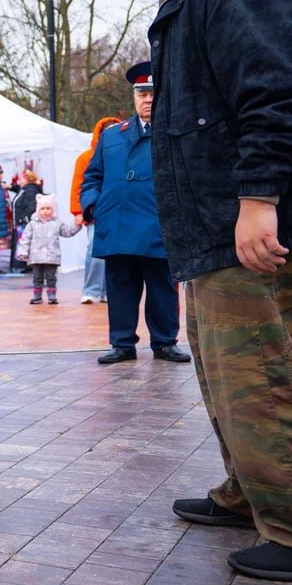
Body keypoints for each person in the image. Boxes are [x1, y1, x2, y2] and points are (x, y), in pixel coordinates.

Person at [85, 0, 292, 580]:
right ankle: (254, 490)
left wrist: (258, 196)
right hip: (219, 230)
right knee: (231, 375)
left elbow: (284, 90)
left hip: (254, 227)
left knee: (267, 378)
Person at [80, 63, 190, 364]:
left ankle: (165, 342)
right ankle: (122, 343)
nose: (148, 99)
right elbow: (92, 177)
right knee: (120, 289)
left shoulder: (175, 133)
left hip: (158, 226)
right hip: (116, 225)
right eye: (142, 93)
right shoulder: (113, 134)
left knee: (163, 289)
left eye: (153, 92)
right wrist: (94, 206)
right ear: (134, 97)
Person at [70, 117, 121, 303]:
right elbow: (78, 185)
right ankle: (91, 291)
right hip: (96, 213)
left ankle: (108, 292)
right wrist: (78, 211)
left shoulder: (124, 153)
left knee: (115, 253)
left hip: (118, 211)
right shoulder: (86, 157)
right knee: (94, 250)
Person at [17, 194, 82, 304]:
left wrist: (77, 225)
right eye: (42, 209)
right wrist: (23, 252)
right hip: (36, 257)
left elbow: (67, 232)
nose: (45, 211)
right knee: (37, 277)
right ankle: (37, 296)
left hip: (52, 257)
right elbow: (25, 238)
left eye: (48, 208)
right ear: (38, 210)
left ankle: (52, 295)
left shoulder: (57, 223)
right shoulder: (32, 224)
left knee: (51, 277)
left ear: (52, 209)